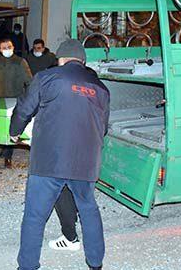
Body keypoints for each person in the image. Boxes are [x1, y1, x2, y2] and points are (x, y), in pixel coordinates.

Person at [10, 39, 110, 270]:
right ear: (83, 62)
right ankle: (95, 264)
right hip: (85, 162)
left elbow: (24, 109)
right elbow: (103, 128)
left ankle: (27, 266)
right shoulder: (101, 89)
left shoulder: (47, 77)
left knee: (35, 215)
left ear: (61, 59)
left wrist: (14, 133)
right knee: (89, 210)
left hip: (49, 161)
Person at [0, 37, 32, 168]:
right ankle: (4, 149)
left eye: (8, 47)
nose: (7, 50)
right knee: (0, 126)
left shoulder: (20, 62)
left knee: (11, 127)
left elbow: (29, 81)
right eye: (4, 48)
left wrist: (30, 98)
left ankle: (7, 156)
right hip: (0, 99)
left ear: (13, 47)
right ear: (0, 49)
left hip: (16, 99)